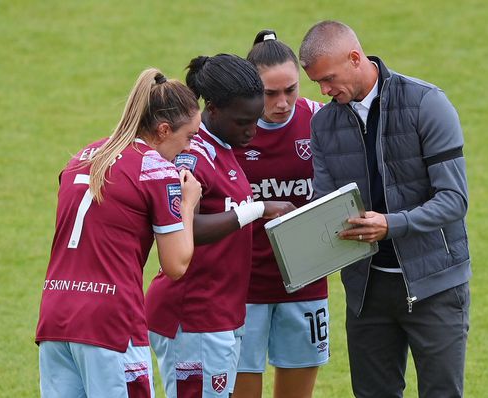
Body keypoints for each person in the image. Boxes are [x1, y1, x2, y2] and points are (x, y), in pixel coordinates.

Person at [299, 21, 471, 398]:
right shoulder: (324, 123)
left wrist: (392, 225)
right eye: (317, 84)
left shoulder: (427, 103)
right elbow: (326, 204)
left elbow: (455, 200)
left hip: (435, 286)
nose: (325, 91)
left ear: (355, 58)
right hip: (367, 291)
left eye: (328, 79)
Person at [35, 68, 203, 398]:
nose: (189, 148)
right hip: (111, 324)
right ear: (164, 130)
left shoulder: (83, 157)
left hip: (55, 317)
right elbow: (176, 264)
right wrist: (187, 204)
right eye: (189, 137)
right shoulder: (156, 168)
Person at [145, 54, 295, 398]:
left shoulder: (224, 148)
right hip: (192, 315)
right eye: (243, 122)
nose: (252, 131)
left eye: (256, 120)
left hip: (218, 314)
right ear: (211, 109)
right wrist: (256, 209)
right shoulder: (193, 156)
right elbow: (182, 225)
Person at [231, 30, 326, 398]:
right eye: (271, 94)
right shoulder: (227, 133)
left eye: (291, 89)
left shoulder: (319, 120)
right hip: (244, 288)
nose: (283, 102)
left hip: (305, 282)